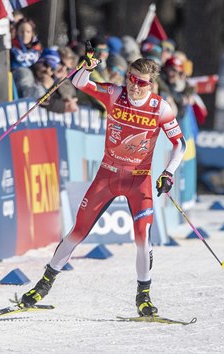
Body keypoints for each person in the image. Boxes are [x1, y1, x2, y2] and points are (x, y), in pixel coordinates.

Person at [20, 57, 187, 317]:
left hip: (138, 180)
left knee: (143, 239)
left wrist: (168, 173)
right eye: (130, 78)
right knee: (77, 232)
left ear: (151, 84)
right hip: (106, 177)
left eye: (140, 83)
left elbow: (180, 144)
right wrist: (86, 67)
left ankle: (143, 297)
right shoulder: (114, 93)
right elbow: (79, 83)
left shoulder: (160, 108)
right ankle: (43, 285)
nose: (133, 86)